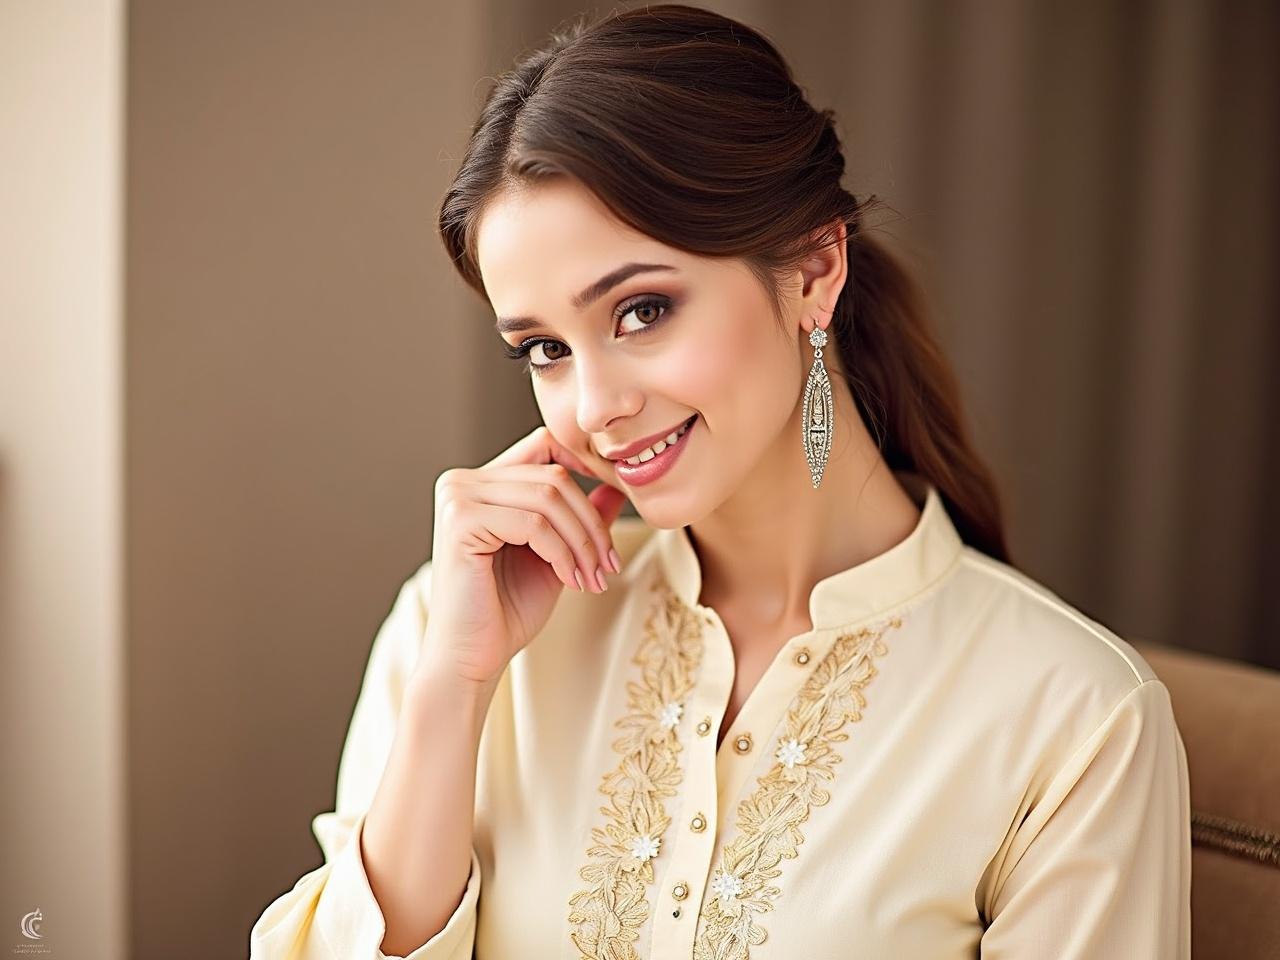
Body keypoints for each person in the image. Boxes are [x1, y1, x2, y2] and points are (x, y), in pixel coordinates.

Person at [249, 5, 1191, 958]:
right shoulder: (462, 624)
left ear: (817, 269)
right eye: (543, 349)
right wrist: (455, 685)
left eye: (642, 310)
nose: (593, 406)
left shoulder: (1077, 719)